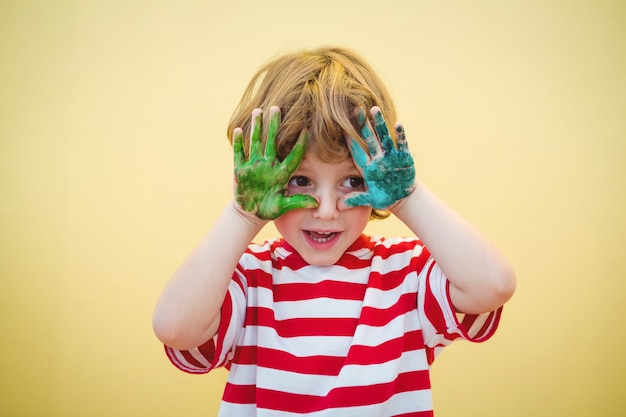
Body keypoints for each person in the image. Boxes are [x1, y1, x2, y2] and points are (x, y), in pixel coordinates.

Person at [152, 46, 516, 416]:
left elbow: (494, 285)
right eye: (300, 180)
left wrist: (408, 197)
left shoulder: (405, 275)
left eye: (352, 180)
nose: (327, 211)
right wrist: (242, 216)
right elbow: (175, 328)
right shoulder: (248, 279)